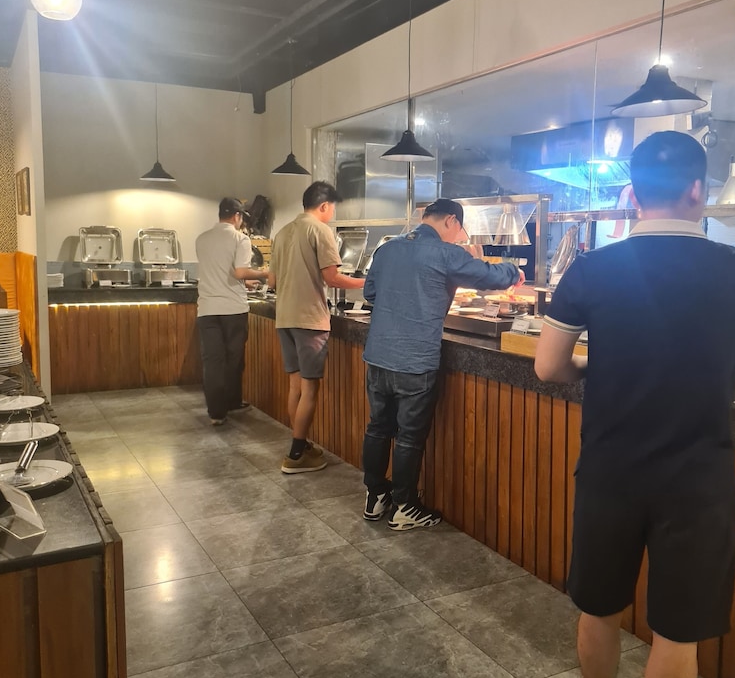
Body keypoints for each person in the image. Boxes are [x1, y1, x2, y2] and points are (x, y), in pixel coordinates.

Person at [534, 131, 735, 678]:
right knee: (677, 629)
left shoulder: (594, 269)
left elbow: (548, 367)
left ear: (631, 193)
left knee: (599, 605)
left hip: (611, 466)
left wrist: (600, 367)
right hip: (697, 476)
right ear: (698, 190)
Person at [361, 198, 522, 530]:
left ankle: (375, 497)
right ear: (451, 220)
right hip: (415, 359)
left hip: (379, 355)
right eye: (459, 230)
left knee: (378, 428)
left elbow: (371, 293)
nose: (458, 237)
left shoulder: (387, 249)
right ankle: (404, 507)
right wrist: (514, 271)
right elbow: (488, 276)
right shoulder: (446, 253)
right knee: (408, 437)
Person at [268, 181, 365, 473]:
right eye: (332, 208)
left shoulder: (282, 232)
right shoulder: (320, 230)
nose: (332, 213)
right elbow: (332, 278)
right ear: (324, 205)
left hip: (284, 317)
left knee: (295, 386)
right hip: (309, 319)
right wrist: (370, 282)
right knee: (310, 388)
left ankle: (302, 444)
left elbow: (272, 281)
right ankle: (296, 455)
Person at [195, 197, 268, 426]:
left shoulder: (202, 239)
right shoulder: (240, 239)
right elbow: (240, 272)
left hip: (207, 309)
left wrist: (243, 281)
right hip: (232, 309)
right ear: (237, 216)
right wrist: (264, 273)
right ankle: (233, 401)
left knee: (213, 361)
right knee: (233, 359)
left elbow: (219, 271)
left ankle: (216, 413)